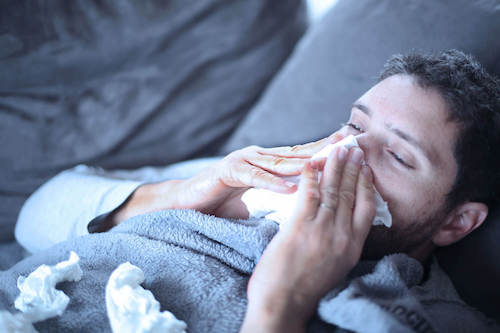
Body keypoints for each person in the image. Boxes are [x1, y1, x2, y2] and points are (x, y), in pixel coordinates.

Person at [15, 50, 500, 332]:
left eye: (397, 156)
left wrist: (282, 300)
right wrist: (194, 192)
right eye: (355, 124)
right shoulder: (249, 178)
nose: (347, 152)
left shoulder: (431, 318)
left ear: (458, 222)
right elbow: (32, 217)